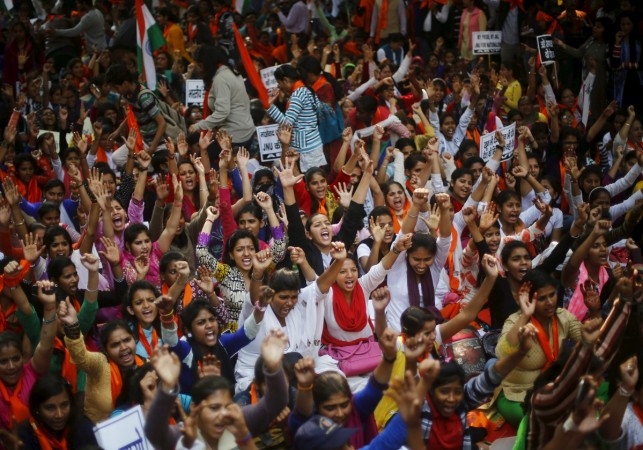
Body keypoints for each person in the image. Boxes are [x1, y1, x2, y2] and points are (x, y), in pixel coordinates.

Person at [144, 333, 290, 450]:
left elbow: (276, 402)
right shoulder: (185, 432)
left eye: (227, 406)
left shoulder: (237, 420)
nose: (223, 414)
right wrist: (167, 387)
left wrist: (273, 368)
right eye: (214, 408)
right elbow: (154, 434)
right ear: (195, 408)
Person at [190, 46, 255, 146]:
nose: (198, 70)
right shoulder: (231, 72)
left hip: (234, 136)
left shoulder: (220, 79)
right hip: (246, 129)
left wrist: (198, 126)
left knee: (201, 157)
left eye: (199, 66)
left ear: (208, 64)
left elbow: (222, 112)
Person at [267, 65, 326, 172]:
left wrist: (270, 106)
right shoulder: (306, 89)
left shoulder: (298, 95)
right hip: (313, 144)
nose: (279, 86)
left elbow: (287, 124)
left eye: (279, 83)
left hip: (306, 149)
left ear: (285, 80)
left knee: (308, 182)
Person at [17, 374, 98, 449]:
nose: (59, 415)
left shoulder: (82, 426)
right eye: (50, 408)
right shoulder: (26, 434)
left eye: (64, 405)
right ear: (37, 409)